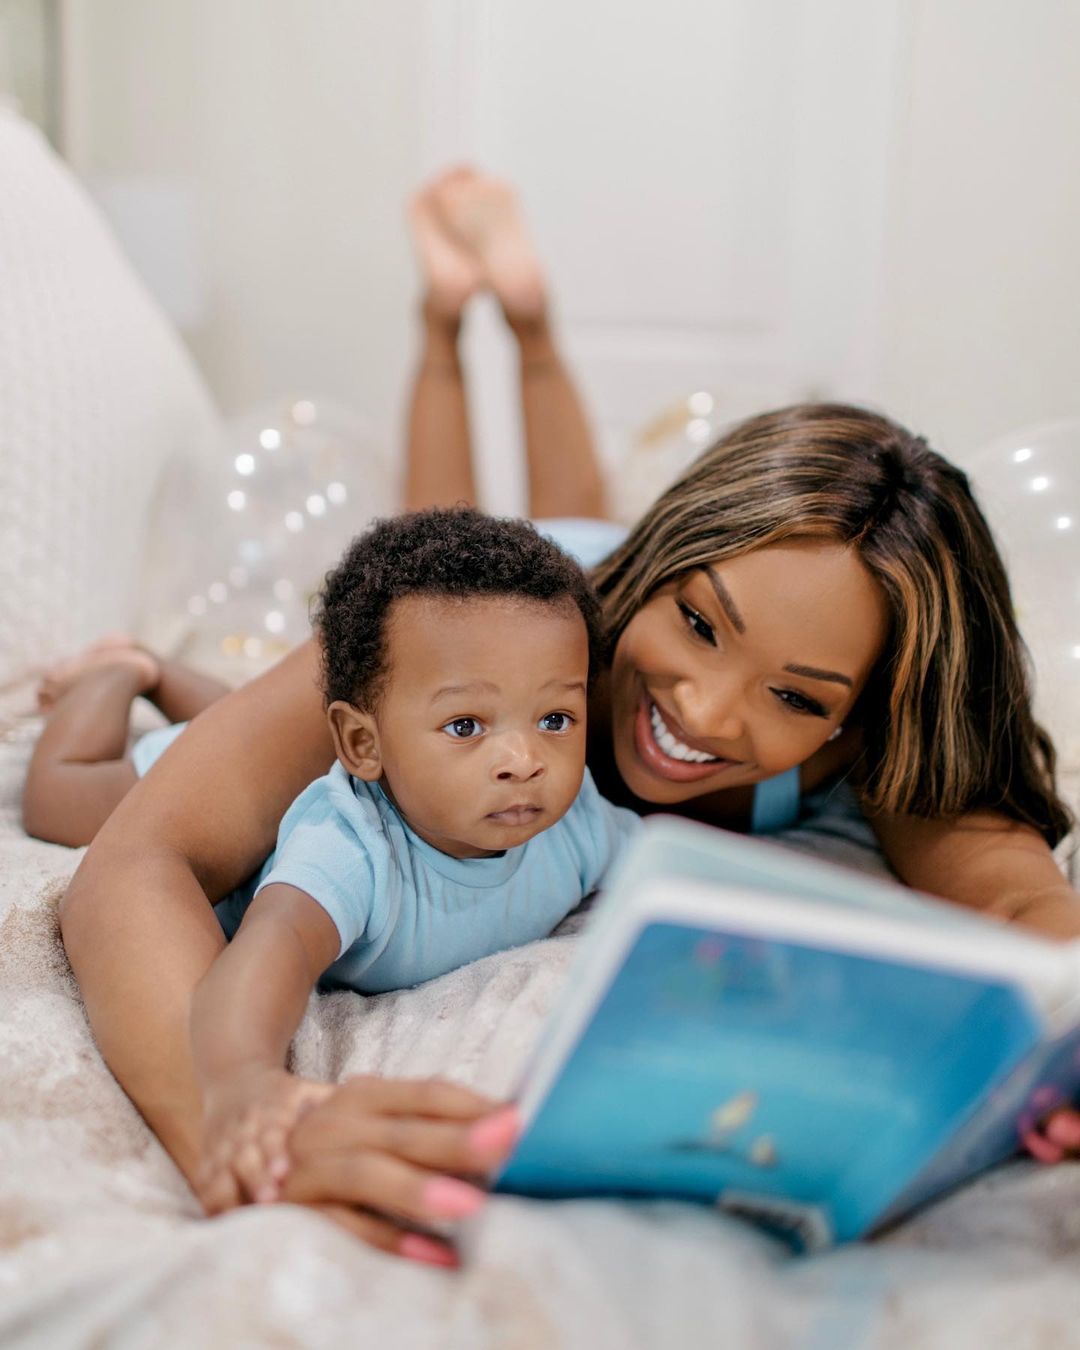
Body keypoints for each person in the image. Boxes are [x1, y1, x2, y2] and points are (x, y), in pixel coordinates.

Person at [57, 168, 1080, 1269]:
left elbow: (1022, 903)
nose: (704, 706)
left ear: (851, 723)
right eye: (695, 620)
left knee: (601, 557)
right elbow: (135, 859)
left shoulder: (867, 714)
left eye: (795, 700)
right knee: (451, 522)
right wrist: (241, 1130)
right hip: (558, 583)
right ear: (662, 570)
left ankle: (529, 323)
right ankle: (452, 325)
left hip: (609, 580)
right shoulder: (487, 639)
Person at [26, 509, 638, 1217]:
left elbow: (667, 867)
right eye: (466, 726)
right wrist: (241, 1080)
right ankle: (117, 671)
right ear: (360, 745)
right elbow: (266, 953)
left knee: (232, 717)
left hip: (302, 751)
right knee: (60, 797)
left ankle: (169, 674)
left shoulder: (578, 822)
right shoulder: (349, 847)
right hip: (163, 776)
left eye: (555, 720)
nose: (524, 761)